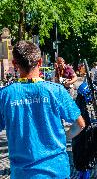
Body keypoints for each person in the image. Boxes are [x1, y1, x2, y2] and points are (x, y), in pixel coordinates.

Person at [0, 41, 85, 178]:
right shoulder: (57, 91)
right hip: (57, 171)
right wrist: (65, 137)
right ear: (40, 62)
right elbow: (80, 125)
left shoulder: (4, 95)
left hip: (23, 174)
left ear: (15, 64)